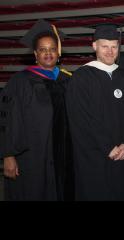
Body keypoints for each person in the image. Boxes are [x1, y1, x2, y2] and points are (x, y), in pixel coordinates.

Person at [0, 19, 74, 201]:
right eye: (42, 49)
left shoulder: (68, 80)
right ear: (35, 54)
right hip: (32, 156)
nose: (48, 53)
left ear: (58, 53)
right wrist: (8, 155)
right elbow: (7, 120)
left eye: (52, 49)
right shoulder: (20, 82)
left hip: (63, 154)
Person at [66, 24, 124, 200]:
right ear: (94, 46)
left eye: (114, 46)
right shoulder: (81, 77)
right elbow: (81, 119)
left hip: (123, 154)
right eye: (105, 46)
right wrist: (108, 147)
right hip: (94, 156)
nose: (110, 51)